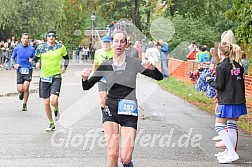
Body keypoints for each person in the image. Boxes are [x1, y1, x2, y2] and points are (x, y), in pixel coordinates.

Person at [81, 30, 163, 167]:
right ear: (112, 44)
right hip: (110, 110)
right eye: (116, 41)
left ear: (126, 45)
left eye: (122, 41)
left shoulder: (134, 63)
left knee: (125, 158)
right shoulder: (106, 65)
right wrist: (84, 78)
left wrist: (153, 69)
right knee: (112, 153)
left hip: (129, 111)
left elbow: (159, 77)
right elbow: (87, 86)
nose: (119, 44)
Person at [206, 42, 247, 164]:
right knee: (231, 126)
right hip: (239, 100)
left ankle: (232, 152)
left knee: (219, 126)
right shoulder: (238, 66)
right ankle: (229, 152)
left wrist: (209, 81)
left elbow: (219, 86)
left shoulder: (220, 67)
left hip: (227, 101)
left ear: (220, 52)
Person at [33, 30, 69, 131]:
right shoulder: (41, 48)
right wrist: (36, 64)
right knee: (46, 102)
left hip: (56, 76)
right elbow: (34, 59)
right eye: (49, 36)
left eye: (53, 36)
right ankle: (51, 123)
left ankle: (56, 109)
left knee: (53, 100)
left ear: (55, 37)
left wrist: (64, 68)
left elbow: (66, 58)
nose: (51, 37)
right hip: (44, 77)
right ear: (46, 37)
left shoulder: (60, 47)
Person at [11, 33, 35, 111]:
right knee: (20, 89)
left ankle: (25, 104)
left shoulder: (32, 49)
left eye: (27, 38)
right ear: (21, 39)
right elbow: (12, 57)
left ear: (28, 40)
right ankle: (21, 93)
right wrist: (14, 64)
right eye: (24, 38)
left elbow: (36, 59)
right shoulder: (17, 48)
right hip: (20, 70)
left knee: (26, 87)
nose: (25, 40)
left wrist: (33, 61)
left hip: (28, 69)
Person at [91, 35, 114, 117]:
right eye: (104, 42)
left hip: (113, 78)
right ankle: (105, 120)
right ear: (102, 43)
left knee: (112, 99)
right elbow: (95, 64)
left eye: (108, 42)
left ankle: (114, 118)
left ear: (111, 43)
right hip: (102, 78)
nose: (106, 44)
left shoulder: (115, 51)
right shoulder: (98, 52)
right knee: (103, 98)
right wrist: (93, 74)